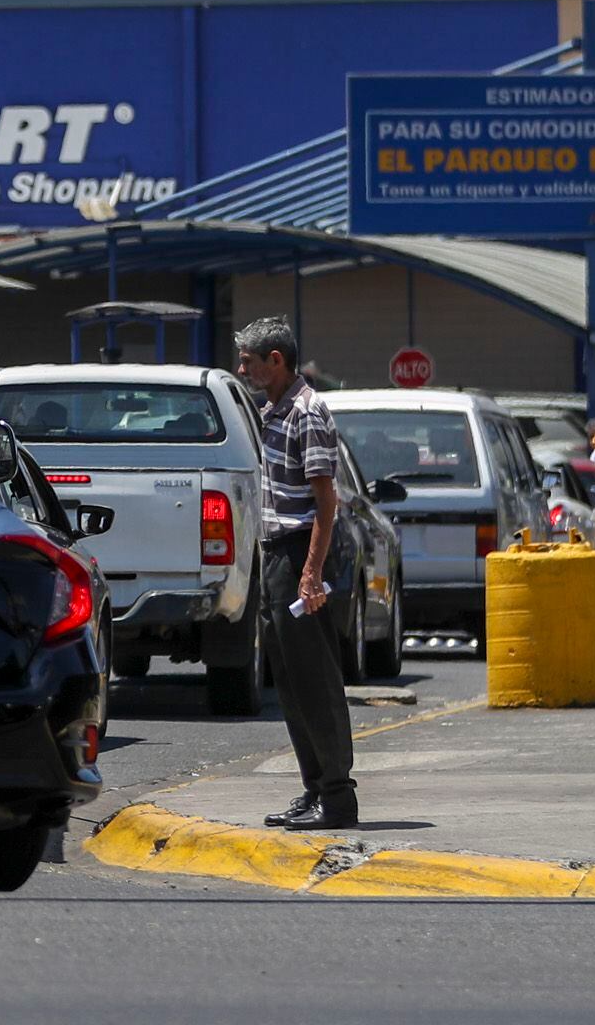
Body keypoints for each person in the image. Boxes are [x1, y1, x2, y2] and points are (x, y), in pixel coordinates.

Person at [233, 316, 356, 831]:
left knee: (315, 679)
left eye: (249, 362)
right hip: (277, 553)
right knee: (288, 680)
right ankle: (313, 789)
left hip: (301, 552)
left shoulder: (308, 412)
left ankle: (337, 795)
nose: (242, 370)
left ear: (276, 361)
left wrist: (310, 573)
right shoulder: (271, 412)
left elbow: (325, 502)